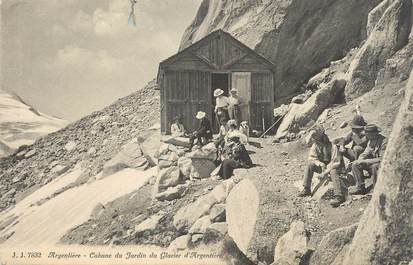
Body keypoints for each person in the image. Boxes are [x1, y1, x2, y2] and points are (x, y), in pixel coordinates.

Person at [348, 124, 385, 195]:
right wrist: (359, 160)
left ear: (373, 133)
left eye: (367, 133)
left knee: (375, 166)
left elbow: (381, 159)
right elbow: (365, 153)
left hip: (381, 165)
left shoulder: (383, 141)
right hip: (372, 162)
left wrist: (364, 161)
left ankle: (376, 189)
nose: (366, 135)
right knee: (355, 165)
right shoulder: (371, 140)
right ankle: (360, 187)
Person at [298, 127, 332, 197]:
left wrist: (328, 168)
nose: (315, 138)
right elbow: (312, 158)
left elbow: (335, 159)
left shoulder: (330, 144)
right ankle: (307, 188)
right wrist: (320, 164)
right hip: (321, 167)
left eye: (316, 136)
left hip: (331, 167)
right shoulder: (315, 145)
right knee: (310, 165)